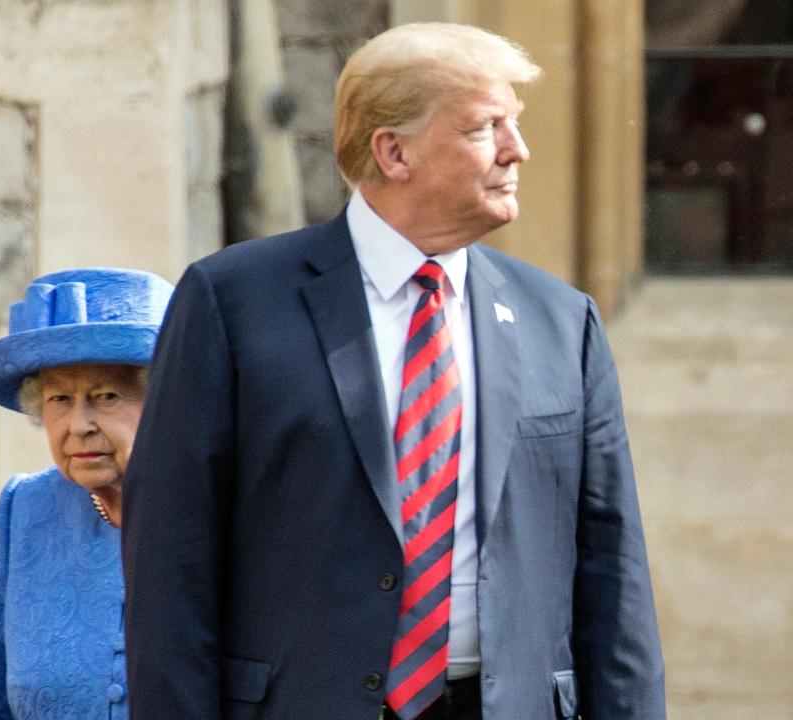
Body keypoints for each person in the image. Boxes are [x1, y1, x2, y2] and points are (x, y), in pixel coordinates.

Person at [122, 22, 665, 720]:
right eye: (485, 127)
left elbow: (613, 578)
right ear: (394, 151)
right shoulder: (233, 304)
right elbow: (172, 564)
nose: (517, 150)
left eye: (515, 124)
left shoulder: (562, 322)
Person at [0, 267, 173, 720]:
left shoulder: (224, 507)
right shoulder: (26, 508)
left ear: (166, 399)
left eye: (107, 395)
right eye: (59, 400)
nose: (79, 425)